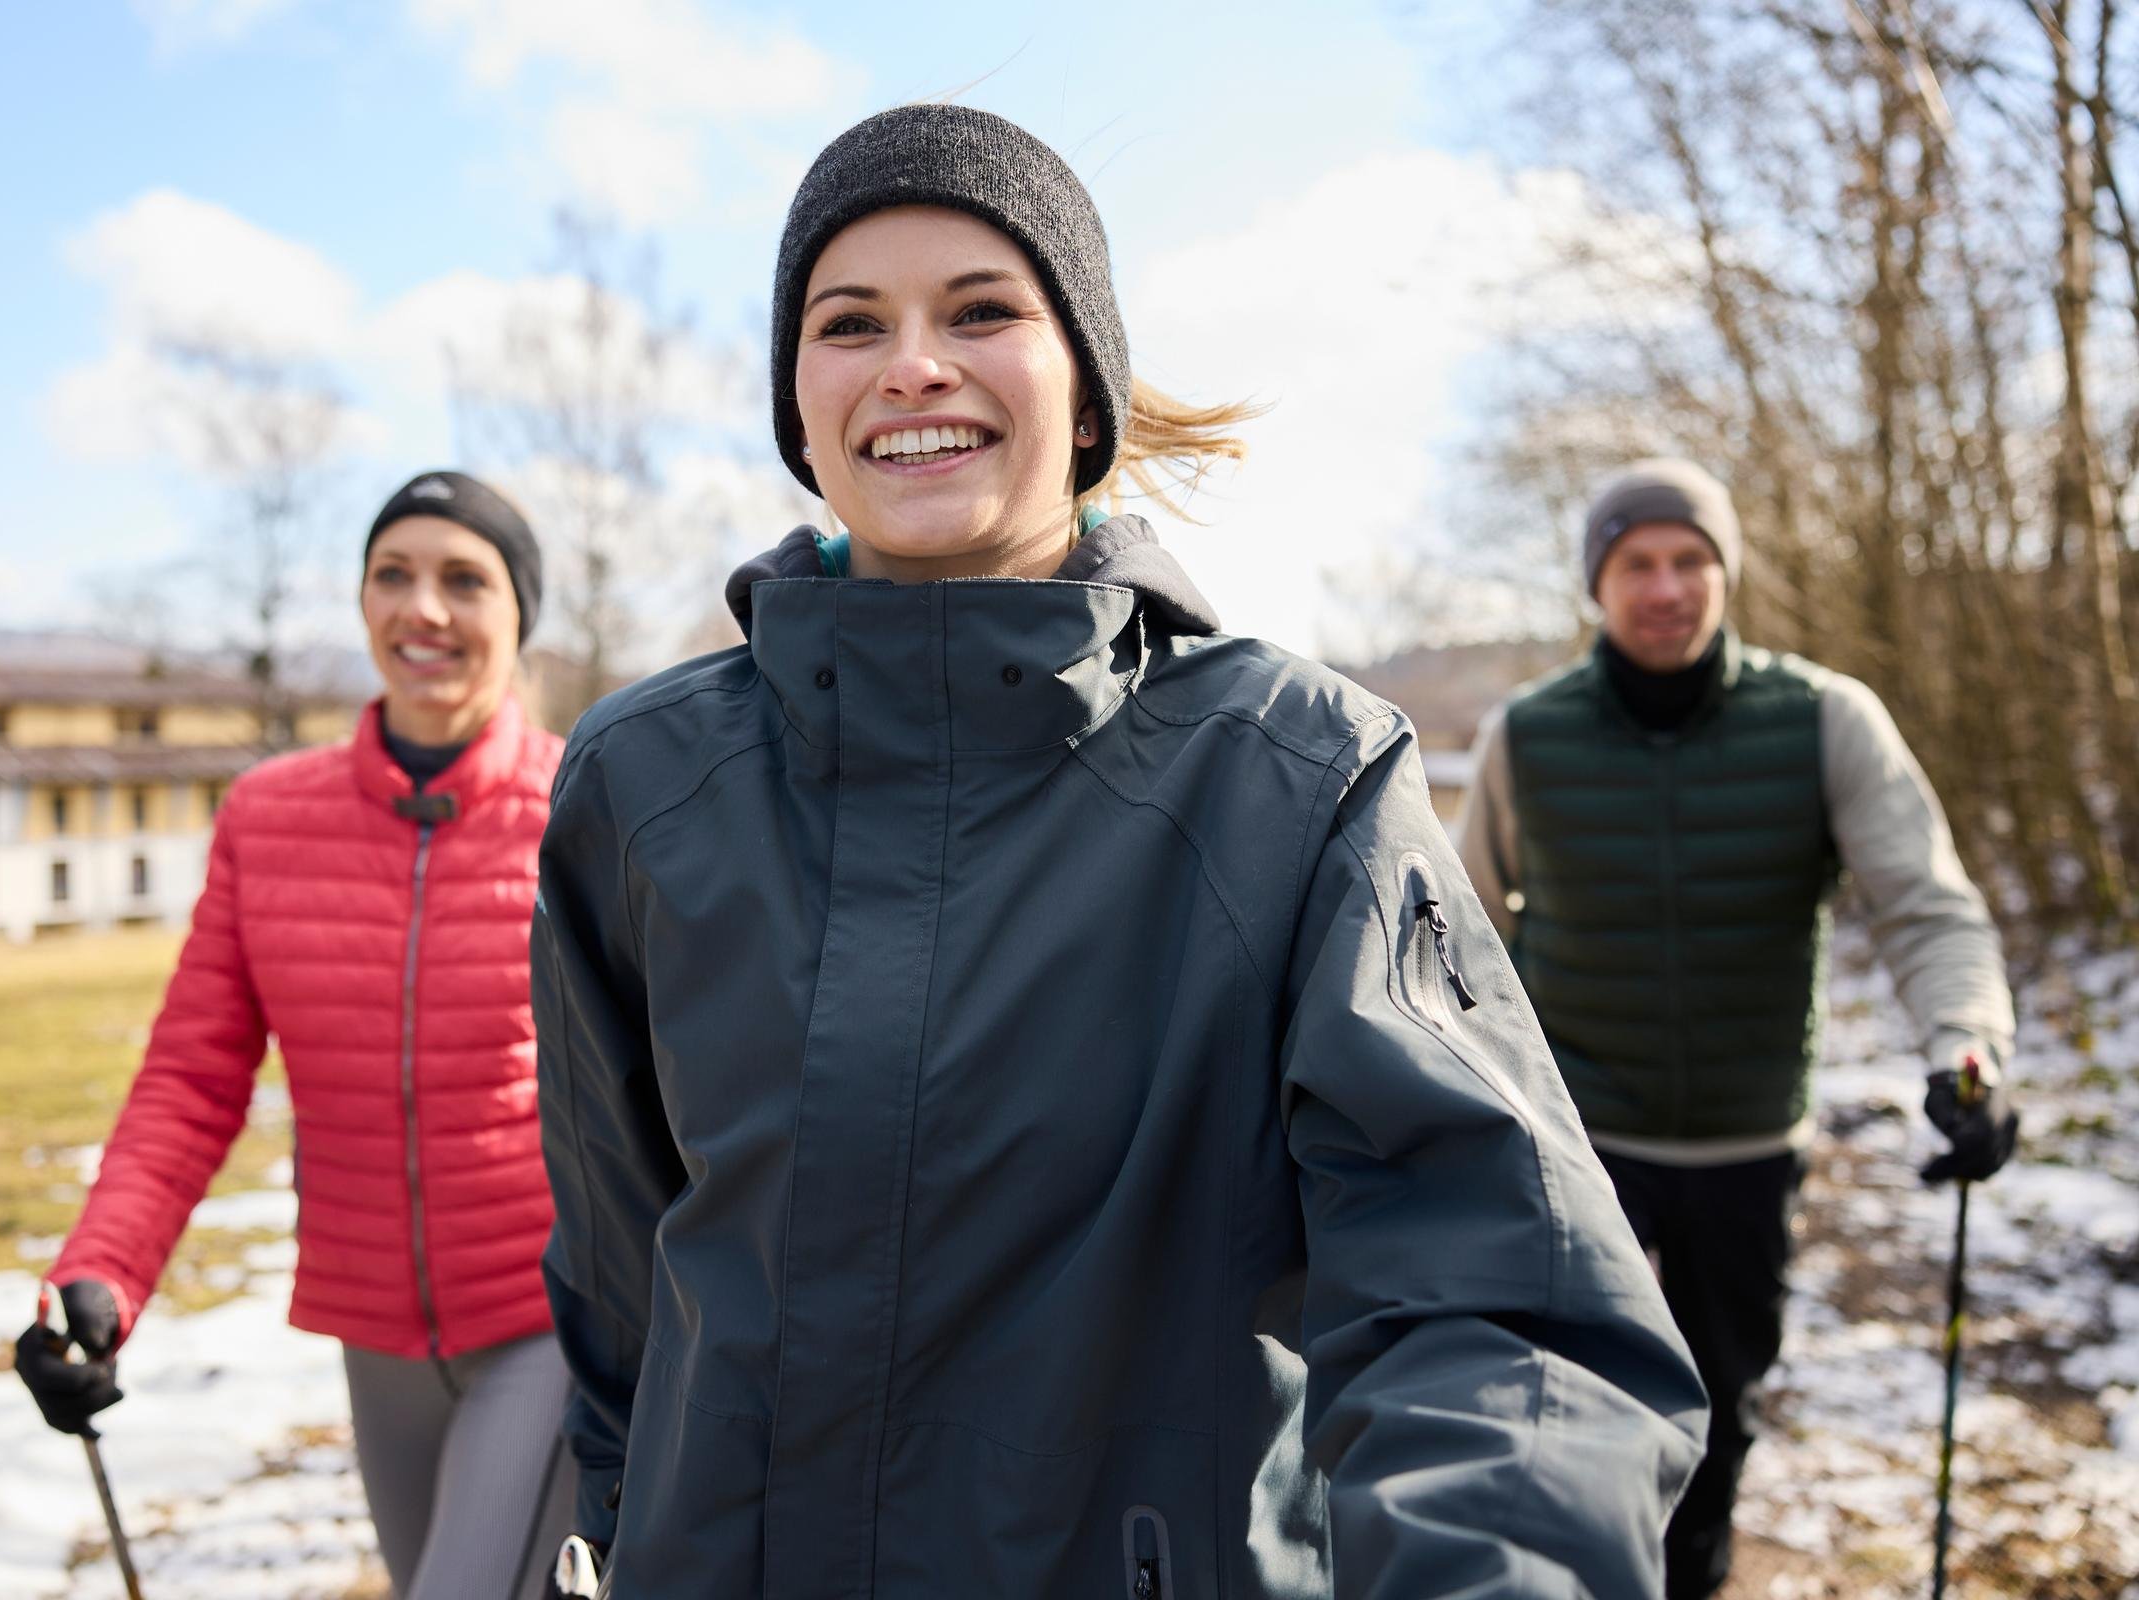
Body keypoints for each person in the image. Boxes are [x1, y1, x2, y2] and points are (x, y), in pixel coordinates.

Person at [530, 104, 1706, 1600]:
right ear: (798, 407)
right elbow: (625, 1283)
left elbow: (1493, 1294)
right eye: (850, 322)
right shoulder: (643, 783)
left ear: (1088, 393)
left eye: (981, 311)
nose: (913, 364)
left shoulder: (1298, 775)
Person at [1452, 458, 2020, 1599]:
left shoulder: (1824, 720)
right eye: (1637, 563)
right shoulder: (1527, 737)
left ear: (1727, 572)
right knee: (1569, 1412)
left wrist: (1967, 1047)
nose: (1667, 587)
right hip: (1577, 1148)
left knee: (1716, 1413)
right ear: (1597, 584)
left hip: (1746, 1148)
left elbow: (1925, 907)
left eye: (1691, 560)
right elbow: (1463, 943)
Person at [15, 471, 578, 1599]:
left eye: (465, 580)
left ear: (520, 614)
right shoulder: (267, 817)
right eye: (393, 574)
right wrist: (102, 1272)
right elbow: (191, 1078)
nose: (423, 608)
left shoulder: (588, 801)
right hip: (376, 1339)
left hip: (552, 1320)